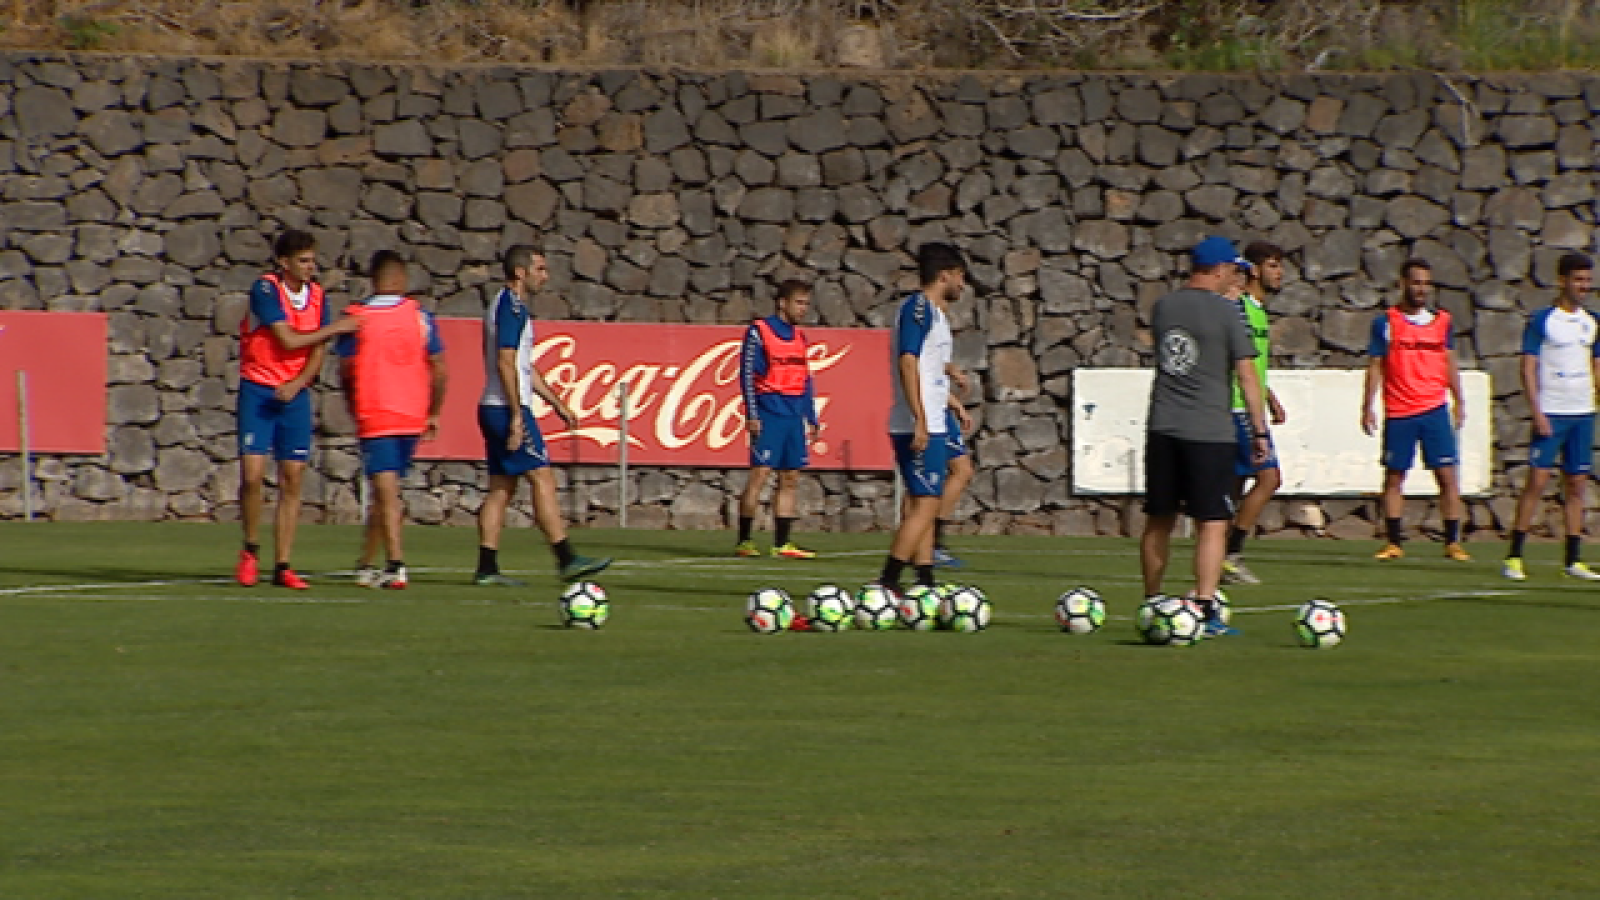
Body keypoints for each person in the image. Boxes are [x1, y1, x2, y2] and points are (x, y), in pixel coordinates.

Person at [1141, 236, 1269, 637]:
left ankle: (1152, 602)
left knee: (1159, 520)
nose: (1236, 277)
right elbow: (1247, 377)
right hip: (1209, 431)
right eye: (1232, 270)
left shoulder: (1164, 307)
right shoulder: (1229, 313)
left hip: (1162, 426)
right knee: (1212, 523)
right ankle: (1205, 607)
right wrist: (1259, 430)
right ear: (1218, 269)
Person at [473, 244, 612, 586]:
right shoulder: (511, 307)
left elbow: (523, 366)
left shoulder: (507, 305)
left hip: (493, 405)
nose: (545, 277)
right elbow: (506, 362)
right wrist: (517, 415)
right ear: (520, 273)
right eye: (540, 269)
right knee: (542, 477)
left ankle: (487, 568)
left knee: (501, 488)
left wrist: (557, 404)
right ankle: (566, 558)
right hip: (506, 407)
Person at [235, 229, 360, 589]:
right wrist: (334, 329)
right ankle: (250, 550)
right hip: (259, 389)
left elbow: (317, 351)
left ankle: (283, 564)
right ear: (284, 262)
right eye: (303, 261)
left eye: (312, 260)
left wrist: (299, 382)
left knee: (292, 478)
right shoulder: (265, 290)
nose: (310, 267)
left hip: (295, 395)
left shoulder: (317, 296)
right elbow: (287, 339)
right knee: (253, 476)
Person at [337, 251, 448, 590]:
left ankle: (394, 565)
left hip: (376, 413)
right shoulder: (420, 317)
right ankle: (370, 563)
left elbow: (346, 370)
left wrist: (353, 405)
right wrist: (433, 411)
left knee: (385, 491)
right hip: (411, 414)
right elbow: (440, 369)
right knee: (386, 491)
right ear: (401, 280)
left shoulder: (357, 318)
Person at [1361, 258, 1470, 562]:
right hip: (1400, 410)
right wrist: (1367, 405)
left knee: (1447, 476)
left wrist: (1459, 398)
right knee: (1395, 476)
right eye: (1416, 282)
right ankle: (1394, 542)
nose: (1422, 289)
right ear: (1403, 284)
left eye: (1426, 283)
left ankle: (1452, 541)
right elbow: (1375, 365)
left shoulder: (1442, 322)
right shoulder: (1386, 322)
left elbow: (1449, 361)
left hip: (1434, 407)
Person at [1503, 253, 1600, 581]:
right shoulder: (1543, 320)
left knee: (1577, 484)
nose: (1584, 286)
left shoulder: (1592, 322)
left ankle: (1573, 559)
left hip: (1582, 413)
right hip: (1552, 412)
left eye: (1587, 280)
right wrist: (1537, 411)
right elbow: (1528, 367)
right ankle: (1514, 556)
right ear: (1562, 281)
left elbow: (1596, 366)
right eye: (1578, 280)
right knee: (1538, 481)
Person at [875, 243, 965, 593]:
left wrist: (950, 399)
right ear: (944, 275)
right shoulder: (918, 309)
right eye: (959, 277)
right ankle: (887, 582)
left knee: (923, 502)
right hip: (919, 423)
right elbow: (908, 361)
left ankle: (924, 582)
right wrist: (920, 418)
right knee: (926, 504)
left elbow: (928, 369)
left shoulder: (935, 314)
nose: (962, 285)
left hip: (934, 420)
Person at [734, 279, 820, 560]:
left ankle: (782, 543)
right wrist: (752, 414)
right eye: (799, 303)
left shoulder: (800, 337)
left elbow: (805, 379)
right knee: (759, 475)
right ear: (783, 303)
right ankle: (744, 540)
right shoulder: (759, 332)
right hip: (769, 412)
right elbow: (747, 374)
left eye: (806, 303)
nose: (803, 309)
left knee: (790, 477)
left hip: (793, 414)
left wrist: (811, 415)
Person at [1222, 242, 1288, 585]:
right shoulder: (1239, 307)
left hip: (1250, 406)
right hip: (1237, 408)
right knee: (1269, 479)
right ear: (1255, 270)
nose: (1280, 273)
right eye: (1273, 266)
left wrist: (1270, 398)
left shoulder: (1259, 311)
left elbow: (1251, 364)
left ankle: (1218, 554)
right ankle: (1231, 554)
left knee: (1235, 485)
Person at [933, 368, 975, 568]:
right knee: (960, 471)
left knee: (961, 471)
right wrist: (953, 371)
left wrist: (957, 406)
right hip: (932, 411)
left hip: (938, 408)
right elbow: (922, 368)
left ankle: (928, 541)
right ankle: (930, 542)